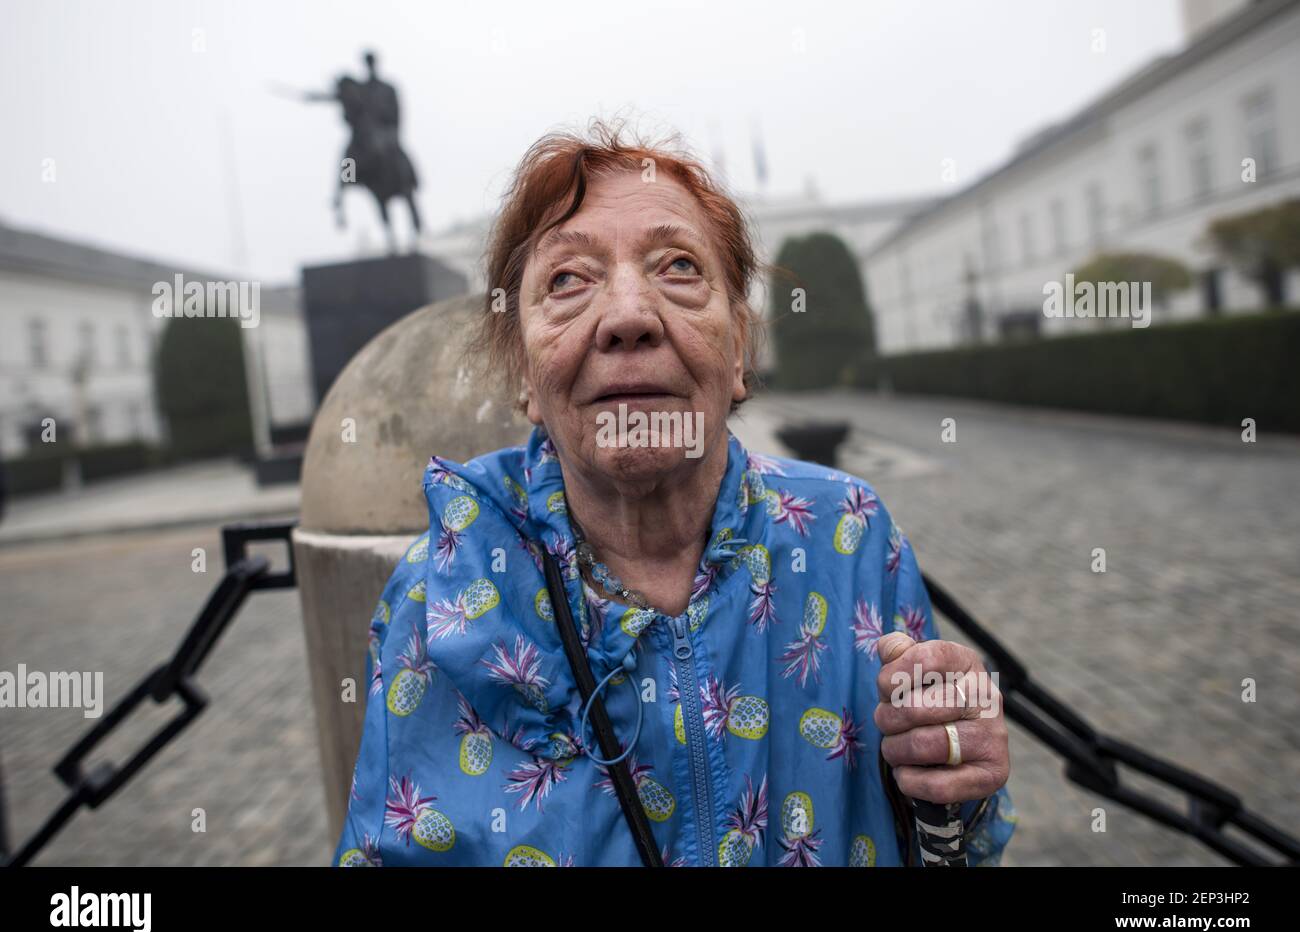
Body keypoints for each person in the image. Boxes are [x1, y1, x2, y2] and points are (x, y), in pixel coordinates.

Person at [332, 119, 1016, 867]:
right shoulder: (442, 591)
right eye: (567, 280)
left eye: (679, 267)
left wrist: (958, 782)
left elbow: (949, 842)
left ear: (738, 354)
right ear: (524, 375)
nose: (628, 316)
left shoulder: (848, 533)